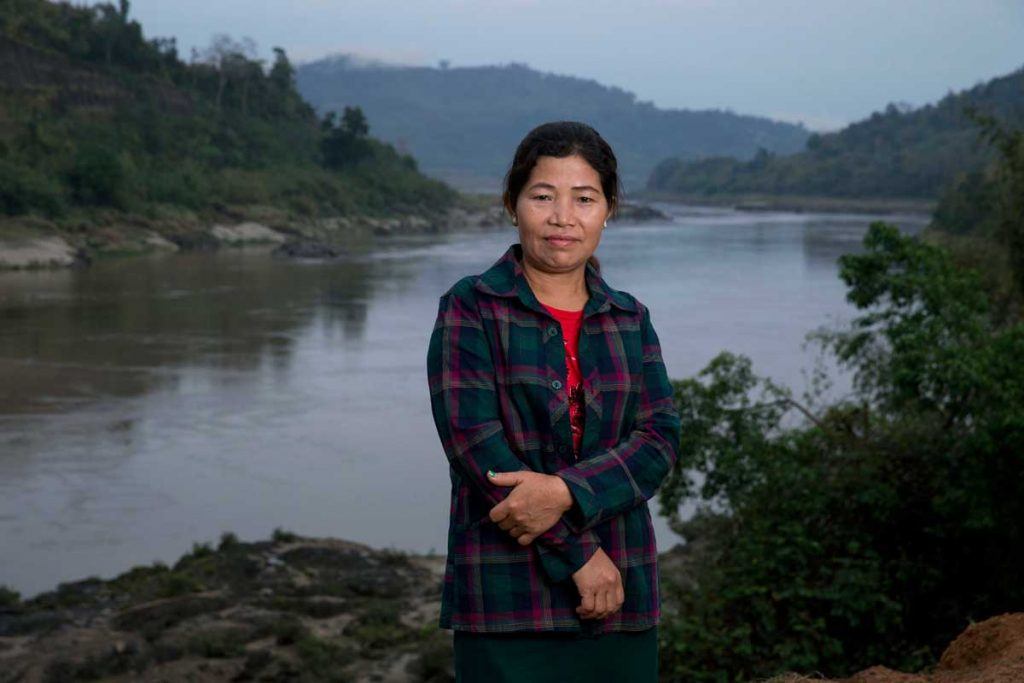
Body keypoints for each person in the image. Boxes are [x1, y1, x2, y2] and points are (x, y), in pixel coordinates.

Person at [426, 120, 681, 682]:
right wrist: (581, 557)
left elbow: (659, 440)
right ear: (512, 204)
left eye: (584, 199)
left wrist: (567, 490)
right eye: (543, 196)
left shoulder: (629, 318)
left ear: (608, 209)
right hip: (506, 601)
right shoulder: (470, 307)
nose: (563, 217)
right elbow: (477, 450)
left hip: (620, 597)